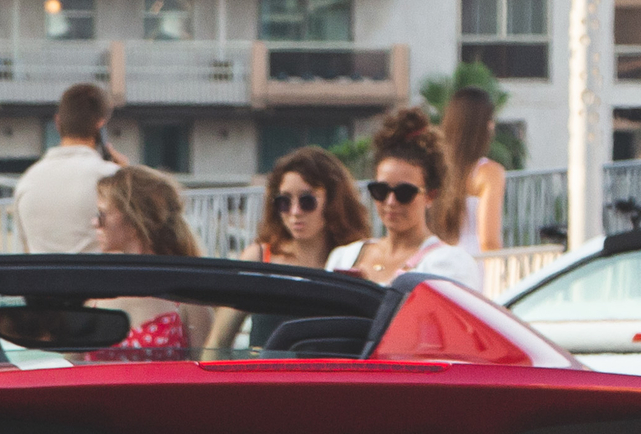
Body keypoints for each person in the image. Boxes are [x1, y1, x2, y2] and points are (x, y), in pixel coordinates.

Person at [207, 146, 368, 348]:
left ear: (333, 201)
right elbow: (217, 342)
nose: (294, 212)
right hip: (266, 377)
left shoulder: (354, 260)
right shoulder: (258, 258)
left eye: (307, 201)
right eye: (283, 201)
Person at [87, 164, 210, 360]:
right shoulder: (95, 289)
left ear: (135, 221)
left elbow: (208, 374)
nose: (95, 223)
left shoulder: (189, 298)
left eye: (102, 214)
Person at [328, 107, 453, 287]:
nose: (390, 202)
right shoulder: (344, 256)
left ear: (430, 195)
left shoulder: (445, 263)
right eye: (380, 190)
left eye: (404, 193)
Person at [14, 81, 118, 253]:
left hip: (43, 279)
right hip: (99, 279)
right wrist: (130, 176)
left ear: (57, 122)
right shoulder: (113, 178)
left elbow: (26, 251)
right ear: (101, 124)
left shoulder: (27, 181)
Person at [441, 83, 507, 255]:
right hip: (474, 266)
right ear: (484, 125)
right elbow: (489, 241)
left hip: (437, 262)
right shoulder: (489, 173)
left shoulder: (436, 168)